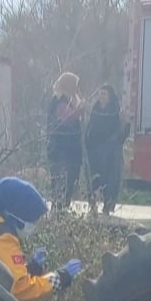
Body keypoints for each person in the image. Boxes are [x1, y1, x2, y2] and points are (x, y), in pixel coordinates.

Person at [0, 176, 82, 301]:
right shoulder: (3, 238)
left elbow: (3, 273)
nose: (33, 225)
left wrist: (32, 268)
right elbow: (19, 288)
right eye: (32, 220)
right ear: (18, 215)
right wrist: (60, 277)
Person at [84, 84, 130, 216]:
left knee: (111, 180)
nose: (101, 97)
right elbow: (89, 129)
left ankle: (108, 205)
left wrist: (126, 124)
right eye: (100, 94)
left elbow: (122, 133)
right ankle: (92, 204)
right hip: (95, 152)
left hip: (111, 153)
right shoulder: (94, 111)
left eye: (104, 94)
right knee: (94, 179)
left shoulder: (116, 112)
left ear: (110, 97)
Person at [47, 72, 86, 208]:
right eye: (75, 85)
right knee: (61, 180)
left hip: (72, 149)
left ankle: (64, 206)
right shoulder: (59, 100)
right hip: (60, 149)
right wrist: (78, 111)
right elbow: (64, 118)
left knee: (72, 179)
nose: (77, 88)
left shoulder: (73, 99)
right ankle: (58, 208)